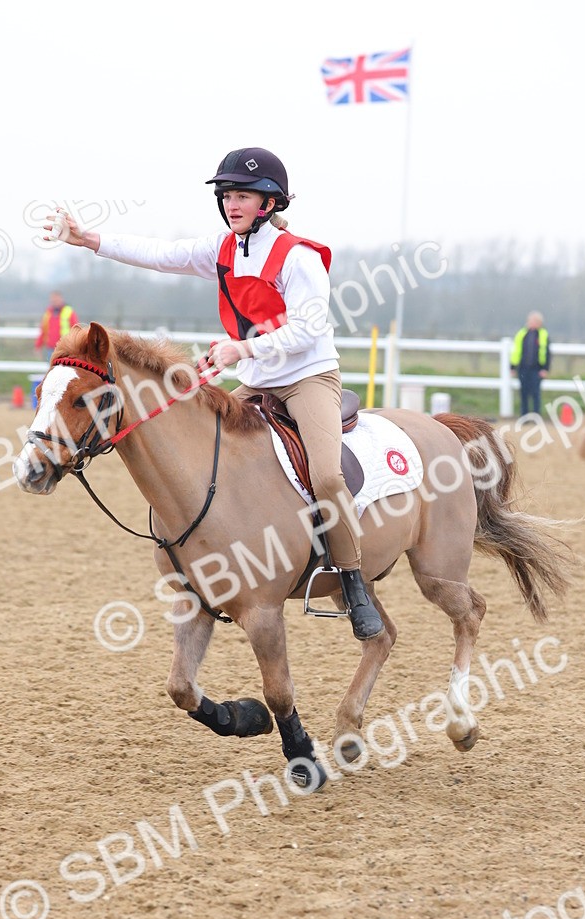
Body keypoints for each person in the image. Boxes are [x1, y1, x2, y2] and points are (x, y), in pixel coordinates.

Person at [44, 147, 383, 640]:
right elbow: (163, 254)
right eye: (227, 196)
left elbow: (309, 331)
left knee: (328, 476)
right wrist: (89, 239)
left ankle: (352, 582)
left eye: (242, 195)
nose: (231, 204)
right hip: (259, 380)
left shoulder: (300, 257)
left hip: (308, 378)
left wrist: (240, 349)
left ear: (268, 202)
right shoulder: (224, 248)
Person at [510, 311, 551, 417]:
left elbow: (547, 353)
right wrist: (513, 367)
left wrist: (545, 368)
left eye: (534, 321)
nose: (532, 323)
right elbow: (516, 351)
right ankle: (524, 415)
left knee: (535, 393)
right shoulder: (522, 334)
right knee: (523, 392)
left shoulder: (543, 335)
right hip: (523, 368)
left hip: (536, 369)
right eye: (531, 321)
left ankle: (536, 415)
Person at [35, 290, 79, 361]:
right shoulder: (48, 313)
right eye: (53, 300)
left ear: (61, 299)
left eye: (56, 300)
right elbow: (43, 330)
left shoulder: (69, 311)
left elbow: (76, 330)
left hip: (65, 349)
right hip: (51, 348)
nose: (54, 302)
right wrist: (38, 345)